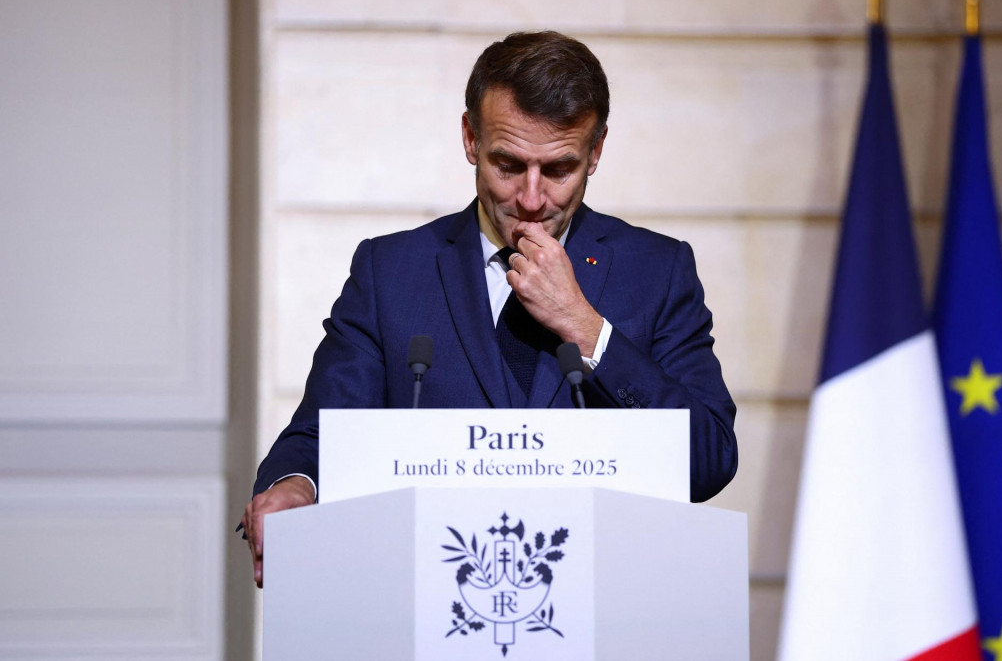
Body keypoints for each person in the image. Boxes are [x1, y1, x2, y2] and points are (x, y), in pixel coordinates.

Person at [242, 31, 737, 587]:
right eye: (508, 164)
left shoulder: (658, 271)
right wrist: (295, 484)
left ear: (595, 153)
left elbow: (708, 459)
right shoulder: (390, 271)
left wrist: (587, 328)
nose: (530, 198)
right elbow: (319, 435)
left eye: (558, 169)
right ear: (470, 138)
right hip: (424, 597)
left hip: (604, 604)